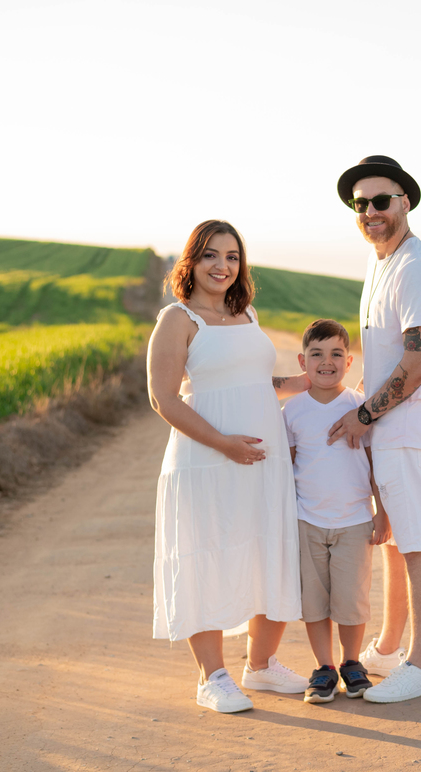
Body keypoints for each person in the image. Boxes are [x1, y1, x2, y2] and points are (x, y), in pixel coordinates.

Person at [148, 219, 310, 714]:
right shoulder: (177, 319)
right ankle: (211, 677)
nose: (223, 266)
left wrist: (312, 381)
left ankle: (259, 666)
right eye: (211, 255)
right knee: (208, 555)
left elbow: (258, 381)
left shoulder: (248, 314)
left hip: (263, 461)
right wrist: (223, 443)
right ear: (191, 262)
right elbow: (162, 398)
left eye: (233, 256)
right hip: (205, 461)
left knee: (267, 551)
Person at [328, 156, 421, 703]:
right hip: (390, 427)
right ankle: (387, 647)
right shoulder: (382, 262)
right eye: (361, 204)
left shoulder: (415, 267)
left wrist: (361, 416)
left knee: (417, 544)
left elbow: (418, 361)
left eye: (381, 200)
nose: (371, 211)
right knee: (395, 540)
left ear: (405, 202)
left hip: (408, 428)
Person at [282, 319, 391, 703]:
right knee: (313, 600)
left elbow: (375, 462)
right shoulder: (292, 411)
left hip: (354, 520)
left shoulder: (360, 410)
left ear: (349, 362)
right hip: (307, 520)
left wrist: (383, 512)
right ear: (303, 361)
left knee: (351, 598)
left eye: (336, 354)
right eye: (316, 354)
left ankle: (351, 663)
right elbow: (287, 470)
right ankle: (324, 667)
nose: (326, 361)